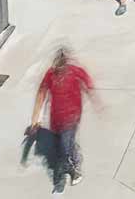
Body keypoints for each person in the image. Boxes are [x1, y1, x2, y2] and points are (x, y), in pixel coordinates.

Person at [32, 47, 97, 192]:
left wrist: (95, 101)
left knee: (64, 147)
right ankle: (74, 160)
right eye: (58, 66)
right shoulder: (50, 75)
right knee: (64, 143)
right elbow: (41, 93)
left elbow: (88, 84)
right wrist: (35, 119)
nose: (59, 70)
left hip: (71, 118)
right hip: (56, 118)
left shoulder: (75, 72)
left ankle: (68, 174)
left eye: (61, 66)